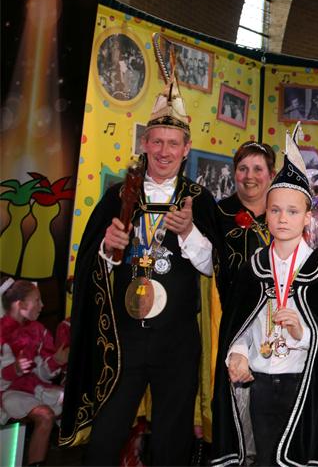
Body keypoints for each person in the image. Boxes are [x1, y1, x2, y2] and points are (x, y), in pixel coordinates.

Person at [60, 63, 226, 466]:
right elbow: (91, 267)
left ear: (186, 148)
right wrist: (107, 248)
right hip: (124, 339)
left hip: (178, 340)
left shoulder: (199, 199)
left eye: (173, 143)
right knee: (106, 437)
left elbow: (214, 268)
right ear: (145, 143)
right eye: (158, 142)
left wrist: (188, 233)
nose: (165, 152)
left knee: (171, 441)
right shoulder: (119, 195)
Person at [211, 129, 318, 466]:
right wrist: (238, 354)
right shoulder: (253, 267)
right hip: (260, 382)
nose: (282, 218)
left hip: (304, 385)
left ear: (307, 217)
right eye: (275, 210)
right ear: (266, 212)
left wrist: (304, 332)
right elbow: (240, 324)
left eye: (292, 211)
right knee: (265, 458)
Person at [1, 279, 67, 466]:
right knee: (45, 415)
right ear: (20, 304)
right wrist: (14, 370)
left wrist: (56, 361)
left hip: (31, 389)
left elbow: (42, 373)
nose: (42, 305)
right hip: (6, 392)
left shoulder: (38, 330)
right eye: (37, 300)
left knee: (70, 400)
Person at [218, 142, 276, 278]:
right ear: (234, 173)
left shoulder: (283, 214)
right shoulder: (218, 213)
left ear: (272, 175)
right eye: (243, 169)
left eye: (258, 169)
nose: (249, 176)